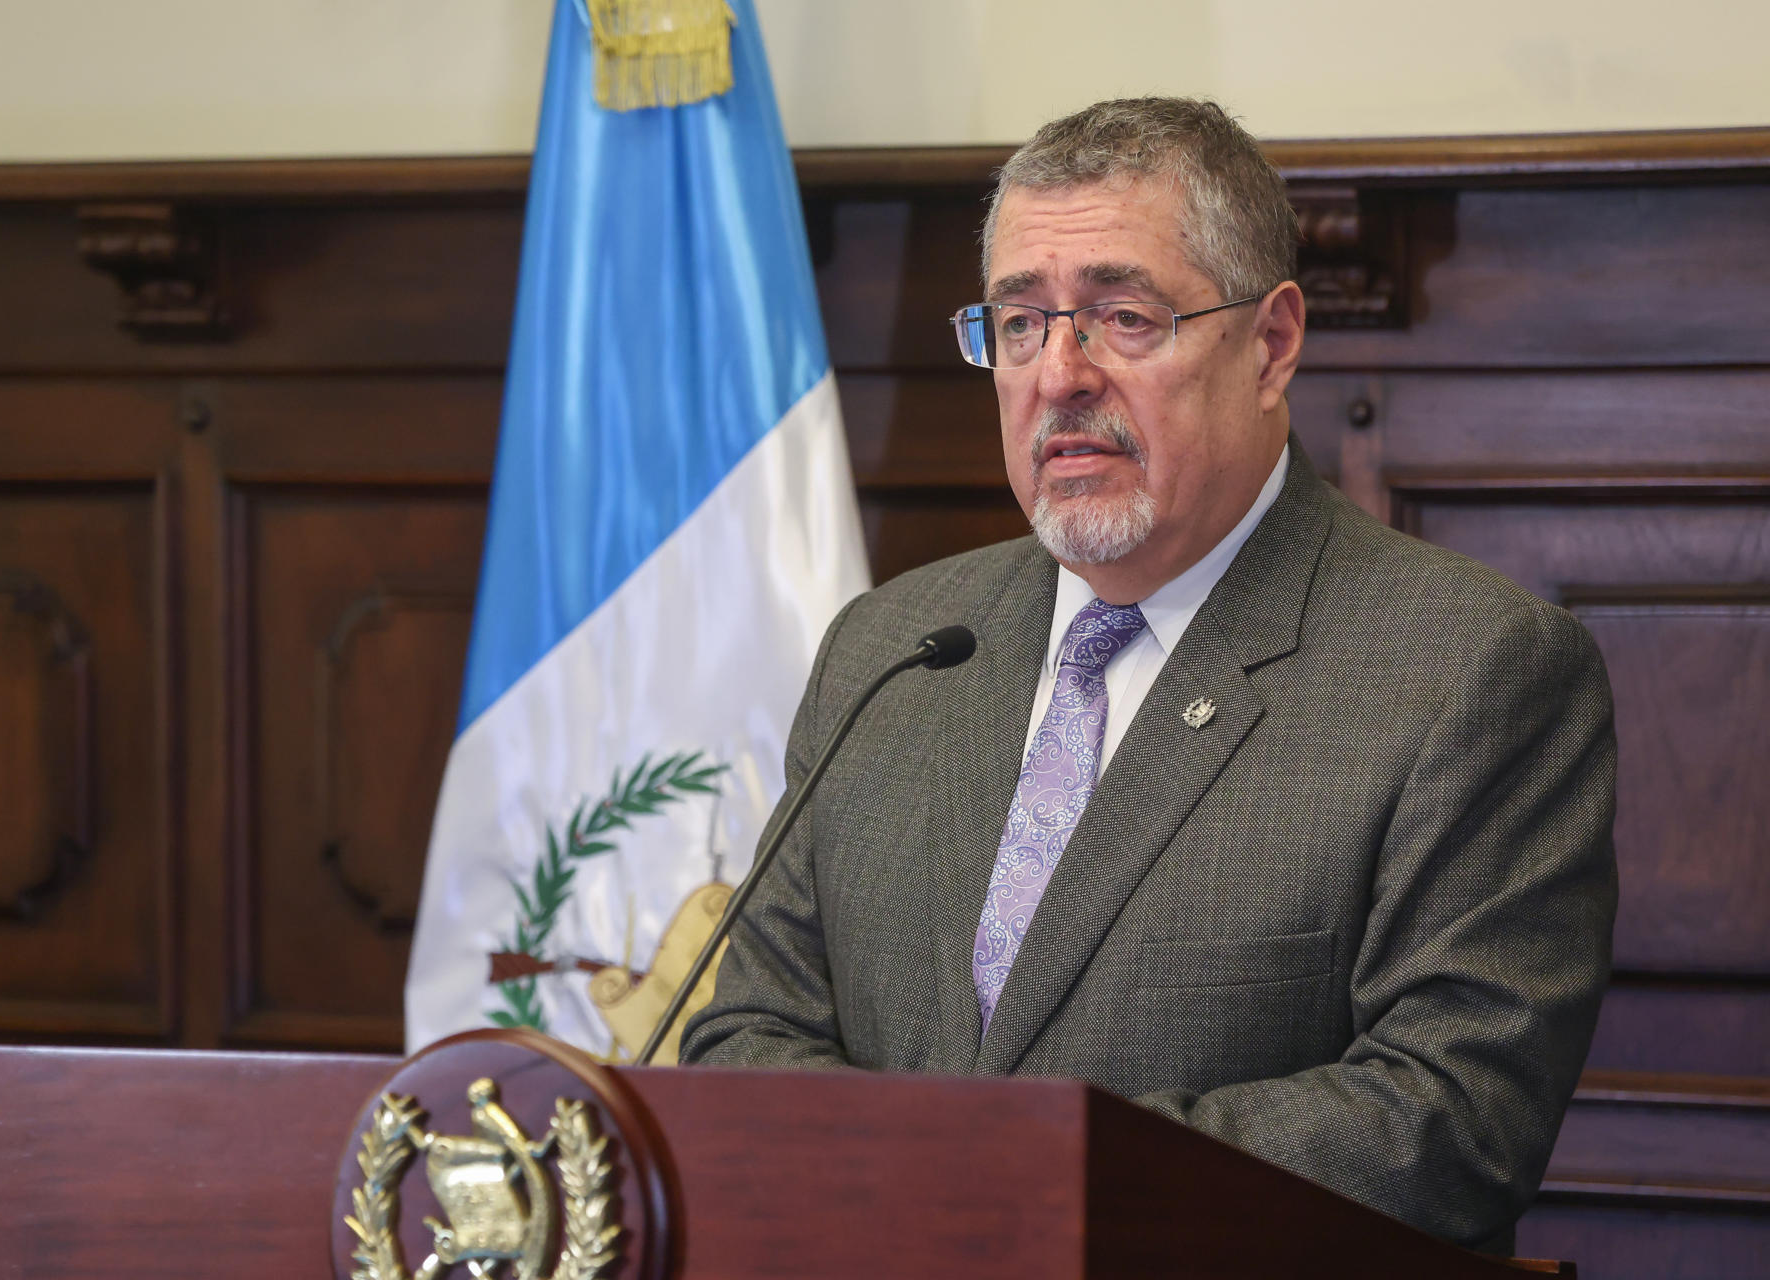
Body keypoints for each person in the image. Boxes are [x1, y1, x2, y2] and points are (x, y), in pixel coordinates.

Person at [681, 97, 1617, 1254]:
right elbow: (746, 1039)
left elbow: (1444, 1126)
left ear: (1270, 343)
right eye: (1020, 323)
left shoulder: (1468, 671)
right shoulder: (893, 645)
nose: (1058, 375)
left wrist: (1006, 1185)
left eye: (1122, 318)